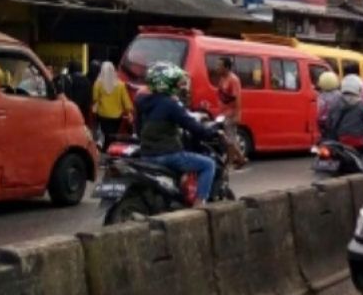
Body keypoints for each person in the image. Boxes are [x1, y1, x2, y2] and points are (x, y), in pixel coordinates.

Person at [135, 62, 217, 206]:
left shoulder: (143, 102)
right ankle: (199, 205)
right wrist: (210, 133)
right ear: (166, 84)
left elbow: (138, 128)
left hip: (146, 154)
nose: (179, 86)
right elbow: (192, 126)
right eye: (175, 82)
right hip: (167, 155)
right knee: (208, 164)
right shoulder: (170, 104)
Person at [323, 74, 363, 171]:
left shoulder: (335, 104)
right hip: (355, 143)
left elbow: (328, 123)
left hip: (336, 141)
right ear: (359, 89)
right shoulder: (362, 105)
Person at [214, 56, 247, 168]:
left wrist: (237, 115)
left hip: (231, 113)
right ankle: (240, 159)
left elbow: (237, 98)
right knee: (227, 138)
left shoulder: (233, 80)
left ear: (226, 67)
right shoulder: (222, 79)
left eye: (220, 66)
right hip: (223, 113)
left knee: (229, 139)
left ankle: (231, 162)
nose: (217, 68)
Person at [91, 61, 132, 149]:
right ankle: (111, 147)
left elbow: (95, 99)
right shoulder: (121, 85)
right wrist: (129, 113)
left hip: (102, 115)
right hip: (117, 117)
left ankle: (104, 148)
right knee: (113, 135)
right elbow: (126, 102)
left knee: (105, 134)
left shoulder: (98, 84)